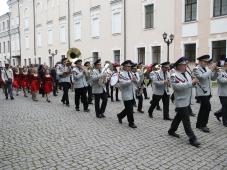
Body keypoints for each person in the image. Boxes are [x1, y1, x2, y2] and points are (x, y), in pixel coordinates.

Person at [168, 57, 200, 147]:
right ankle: (192, 138)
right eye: (183, 65)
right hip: (180, 101)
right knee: (186, 121)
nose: (185, 66)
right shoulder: (174, 75)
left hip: (187, 100)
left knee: (178, 117)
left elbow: (189, 85)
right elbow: (177, 87)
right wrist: (191, 83)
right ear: (178, 66)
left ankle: (171, 130)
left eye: (186, 65)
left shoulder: (186, 73)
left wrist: (194, 82)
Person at [193, 55, 217, 133]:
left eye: (207, 62)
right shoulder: (196, 69)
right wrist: (211, 69)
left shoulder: (207, 68)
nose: (206, 63)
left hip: (208, 92)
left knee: (203, 108)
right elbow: (202, 77)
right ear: (200, 61)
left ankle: (198, 124)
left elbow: (213, 78)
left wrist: (216, 71)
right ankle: (203, 125)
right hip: (201, 92)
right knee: (207, 107)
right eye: (205, 61)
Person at [117, 60, 138, 128]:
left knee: (128, 108)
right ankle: (131, 123)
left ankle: (120, 115)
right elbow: (122, 83)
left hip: (132, 93)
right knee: (130, 109)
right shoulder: (121, 74)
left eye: (130, 66)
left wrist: (136, 81)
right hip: (126, 94)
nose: (130, 67)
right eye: (128, 66)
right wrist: (131, 80)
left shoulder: (131, 73)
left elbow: (136, 81)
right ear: (124, 67)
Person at [215, 58, 227, 127]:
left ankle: (218, 114)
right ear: (225, 65)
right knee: (225, 107)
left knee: (225, 107)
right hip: (223, 93)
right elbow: (221, 81)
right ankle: (225, 122)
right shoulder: (220, 72)